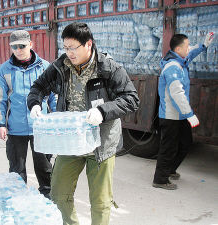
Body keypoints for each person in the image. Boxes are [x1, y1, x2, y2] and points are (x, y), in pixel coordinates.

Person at [27, 22, 139, 225]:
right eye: (66, 47)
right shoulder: (61, 67)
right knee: (58, 194)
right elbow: (39, 86)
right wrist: (35, 103)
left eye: (73, 48)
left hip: (100, 145)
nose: (69, 53)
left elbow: (131, 99)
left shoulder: (108, 68)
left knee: (100, 201)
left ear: (88, 44)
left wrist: (102, 111)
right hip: (70, 143)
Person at [0, 30, 57, 198]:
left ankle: (47, 198)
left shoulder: (44, 66)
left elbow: (53, 96)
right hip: (15, 129)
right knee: (16, 169)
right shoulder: (4, 70)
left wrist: (57, 119)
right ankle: (19, 200)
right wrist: (0, 124)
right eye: (14, 47)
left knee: (44, 167)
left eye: (22, 45)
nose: (19, 49)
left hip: (40, 128)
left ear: (30, 45)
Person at [152, 32, 214, 190]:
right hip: (171, 116)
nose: (189, 49)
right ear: (178, 49)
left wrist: (203, 46)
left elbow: (191, 52)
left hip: (179, 115)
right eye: (187, 46)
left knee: (185, 143)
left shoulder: (180, 60)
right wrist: (190, 114)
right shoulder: (172, 67)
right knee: (169, 147)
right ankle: (160, 180)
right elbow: (177, 94)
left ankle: (170, 170)